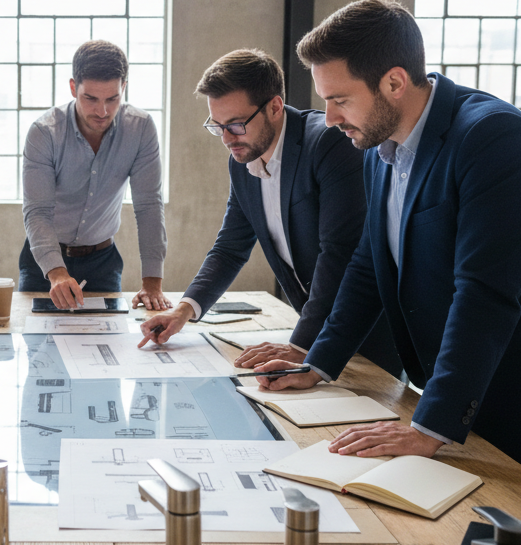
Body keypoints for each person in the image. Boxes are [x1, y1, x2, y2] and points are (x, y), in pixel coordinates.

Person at [254, 0, 521, 491]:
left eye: (339, 98)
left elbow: (484, 291)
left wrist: (431, 425)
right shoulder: (378, 144)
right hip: (450, 391)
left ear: (394, 83)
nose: (330, 118)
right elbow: (368, 266)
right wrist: (319, 360)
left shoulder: (493, 137)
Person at [139, 49, 402, 378]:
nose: (226, 139)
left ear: (275, 107)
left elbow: (339, 252)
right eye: (217, 126)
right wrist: (183, 311)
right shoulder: (242, 160)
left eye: (235, 125)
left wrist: (301, 345)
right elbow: (230, 247)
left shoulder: (327, 144)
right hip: (312, 328)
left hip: (365, 330)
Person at [20, 40, 169, 311]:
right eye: (91, 99)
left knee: (107, 346)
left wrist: (152, 283)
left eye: (112, 99)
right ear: (73, 87)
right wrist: (56, 272)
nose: (102, 112)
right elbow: (38, 211)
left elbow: (148, 206)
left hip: (103, 262)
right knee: (40, 348)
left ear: (123, 87)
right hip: (43, 264)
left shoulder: (141, 129)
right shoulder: (43, 133)